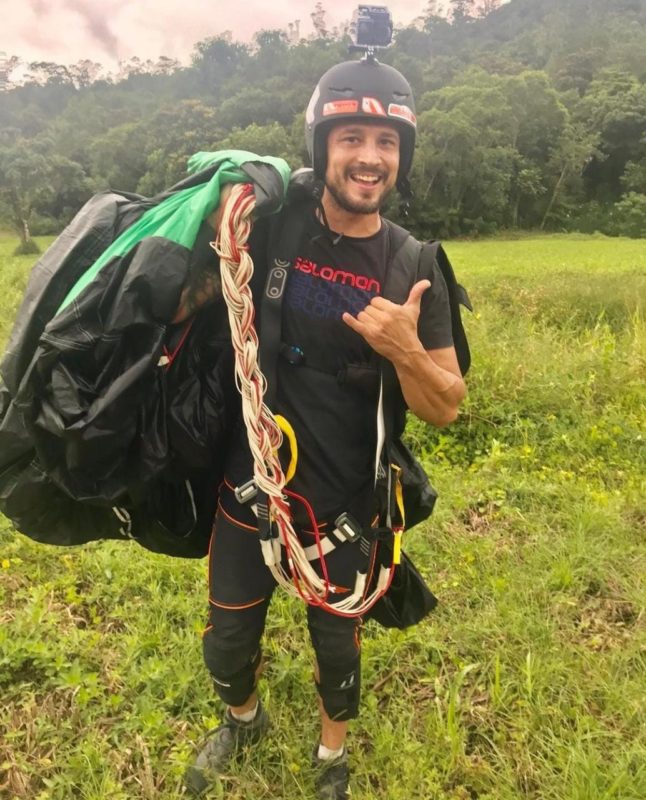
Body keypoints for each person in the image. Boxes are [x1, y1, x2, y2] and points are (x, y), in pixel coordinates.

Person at [184, 57, 466, 799]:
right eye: (351, 138)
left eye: (386, 141)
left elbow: (447, 404)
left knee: (337, 646)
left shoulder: (415, 264)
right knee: (227, 639)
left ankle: (330, 760)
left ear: (402, 157)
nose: (369, 157)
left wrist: (403, 348)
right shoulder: (275, 229)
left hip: (347, 507)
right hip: (254, 487)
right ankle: (242, 719)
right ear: (322, 147)